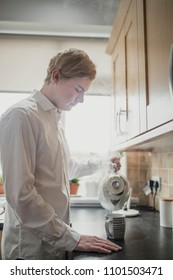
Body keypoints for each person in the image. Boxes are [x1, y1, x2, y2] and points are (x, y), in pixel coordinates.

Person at [0, 48, 121, 260]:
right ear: (56, 76)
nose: (81, 99)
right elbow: (21, 195)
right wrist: (71, 238)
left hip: (53, 244)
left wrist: (103, 162)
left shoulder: (54, 121)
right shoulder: (22, 117)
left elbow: (67, 167)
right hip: (30, 253)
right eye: (78, 89)